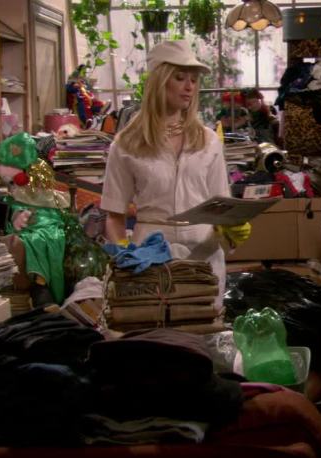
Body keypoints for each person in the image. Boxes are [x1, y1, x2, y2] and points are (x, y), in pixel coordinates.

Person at [101, 40, 251, 309]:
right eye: (180, 78)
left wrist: (232, 227)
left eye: (193, 80)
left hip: (204, 256)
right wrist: (123, 254)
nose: (189, 86)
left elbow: (222, 204)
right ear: (159, 81)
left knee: (203, 328)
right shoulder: (126, 144)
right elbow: (114, 215)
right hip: (150, 256)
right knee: (156, 329)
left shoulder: (208, 140)